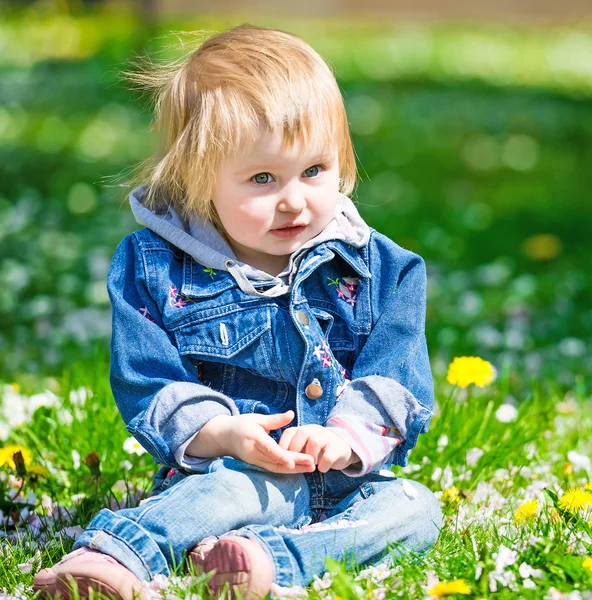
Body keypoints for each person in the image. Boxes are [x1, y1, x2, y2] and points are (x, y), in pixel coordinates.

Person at [33, 23, 442, 600]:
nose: (295, 199)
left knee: (416, 510)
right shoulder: (156, 269)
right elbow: (149, 381)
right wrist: (223, 434)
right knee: (228, 496)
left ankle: (264, 563)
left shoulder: (381, 269)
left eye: (314, 171)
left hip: (348, 483)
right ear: (199, 182)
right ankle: (118, 557)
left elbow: (397, 376)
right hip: (231, 476)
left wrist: (347, 440)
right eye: (262, 178)